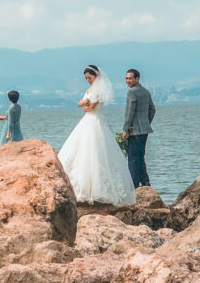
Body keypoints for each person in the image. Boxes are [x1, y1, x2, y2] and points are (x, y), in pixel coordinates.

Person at [58, 65, 135, 205]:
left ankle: (96, 189)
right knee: (82, 150)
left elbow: (89, 108)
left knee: (95, 152)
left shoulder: (99, 91)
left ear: (96, 76)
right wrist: (85, 103)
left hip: (94, 120)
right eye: (86, 78)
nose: (88, 80)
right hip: (87, 122)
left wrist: (86, 105)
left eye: (90, 77)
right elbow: (80, 104)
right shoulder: (89, 90)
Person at [122, 69, 156, 188]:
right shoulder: (145, 91)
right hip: (144, 130)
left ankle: (134, 184)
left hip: (134, 131)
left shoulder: (132, 92)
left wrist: (126, 130)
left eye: (130, 78)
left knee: (133, 159)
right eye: (126, 78)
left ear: (137, 79)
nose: (128, 81)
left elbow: (129, 113)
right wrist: (146, 123)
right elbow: (152, 109)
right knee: (140, 157)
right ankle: (145, 182)